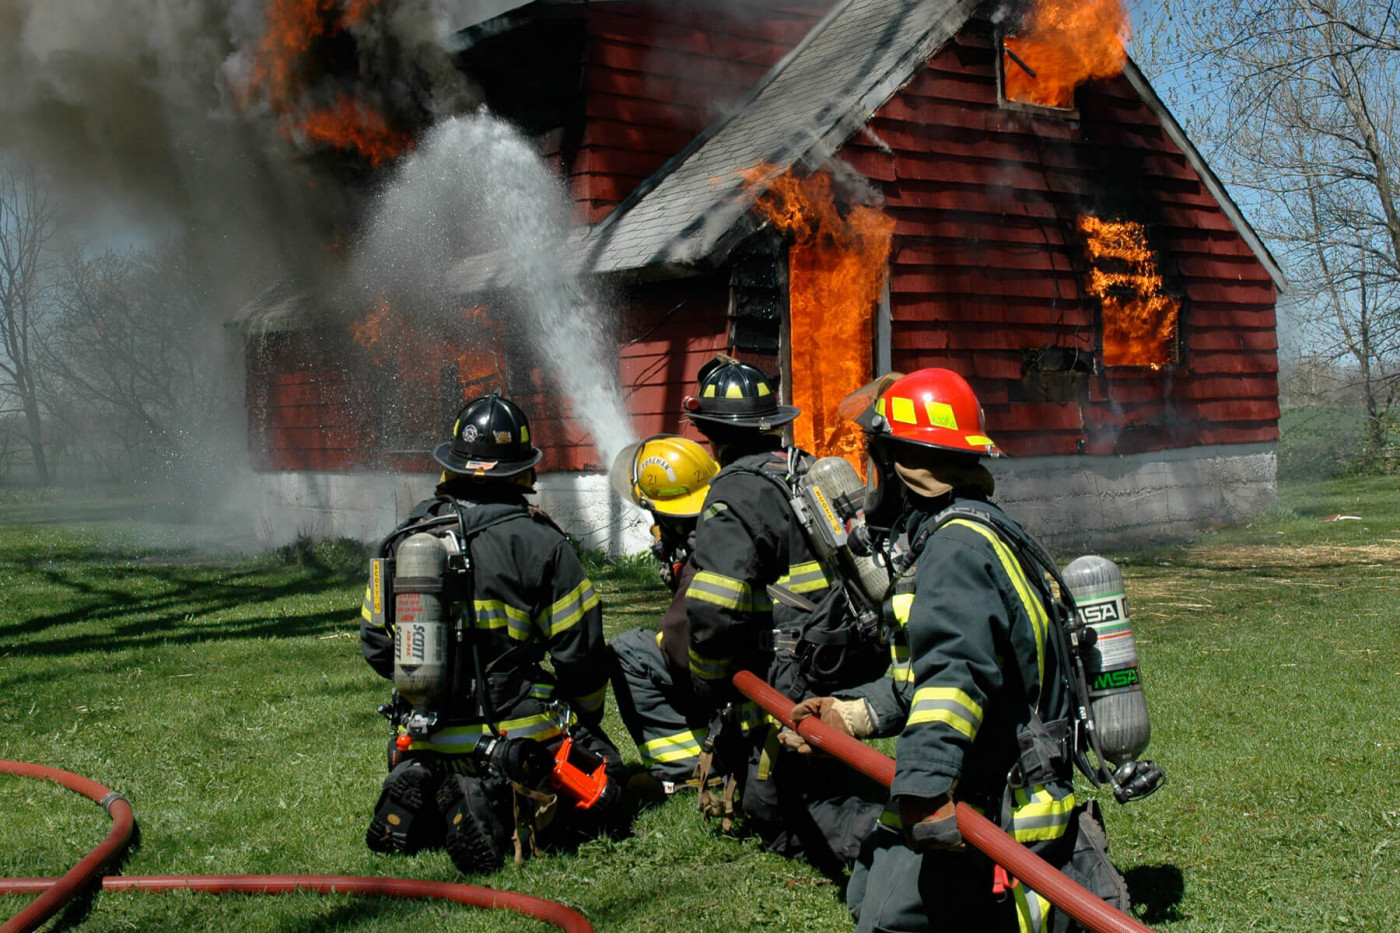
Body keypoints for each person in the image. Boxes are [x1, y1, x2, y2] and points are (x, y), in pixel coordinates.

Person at [840, 368, 1131, 932]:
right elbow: (922, 678)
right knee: (868, 880)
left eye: (877, 461)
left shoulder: (954, 551)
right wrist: (850, 712)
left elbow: (953, 680)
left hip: (999, 801)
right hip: (1005, 773)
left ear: (902, 466)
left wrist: (924, 787)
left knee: (883, 918)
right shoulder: (983, 529)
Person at [359, 393, 623, 875]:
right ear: (522, 471)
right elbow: (581, 655)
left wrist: (428, 681)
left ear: (452, 464)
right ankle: (489, 796)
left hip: (426, 729)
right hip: (513, 732)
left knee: (432, 764)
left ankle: (422, 779)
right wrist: (586, 719)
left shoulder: (406, 538)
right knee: (608, 774)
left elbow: (376, 644)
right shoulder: (542, 543)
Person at [680, 354, 899, 875]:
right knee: (795, 783)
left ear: (710, 435)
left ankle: (897, 842)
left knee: (775, 815)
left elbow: (714, 610)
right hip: (848, 653)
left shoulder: (732, 493)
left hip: (791, 674)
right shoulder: (802, 468)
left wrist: (708, 686)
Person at [607, 434, 720, 790]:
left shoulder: (700, 565)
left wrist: (663, 640)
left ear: (671, 515)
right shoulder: (728, 527)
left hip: (726, 689)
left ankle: (685, 763)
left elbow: (680, 650)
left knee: (629, 650)